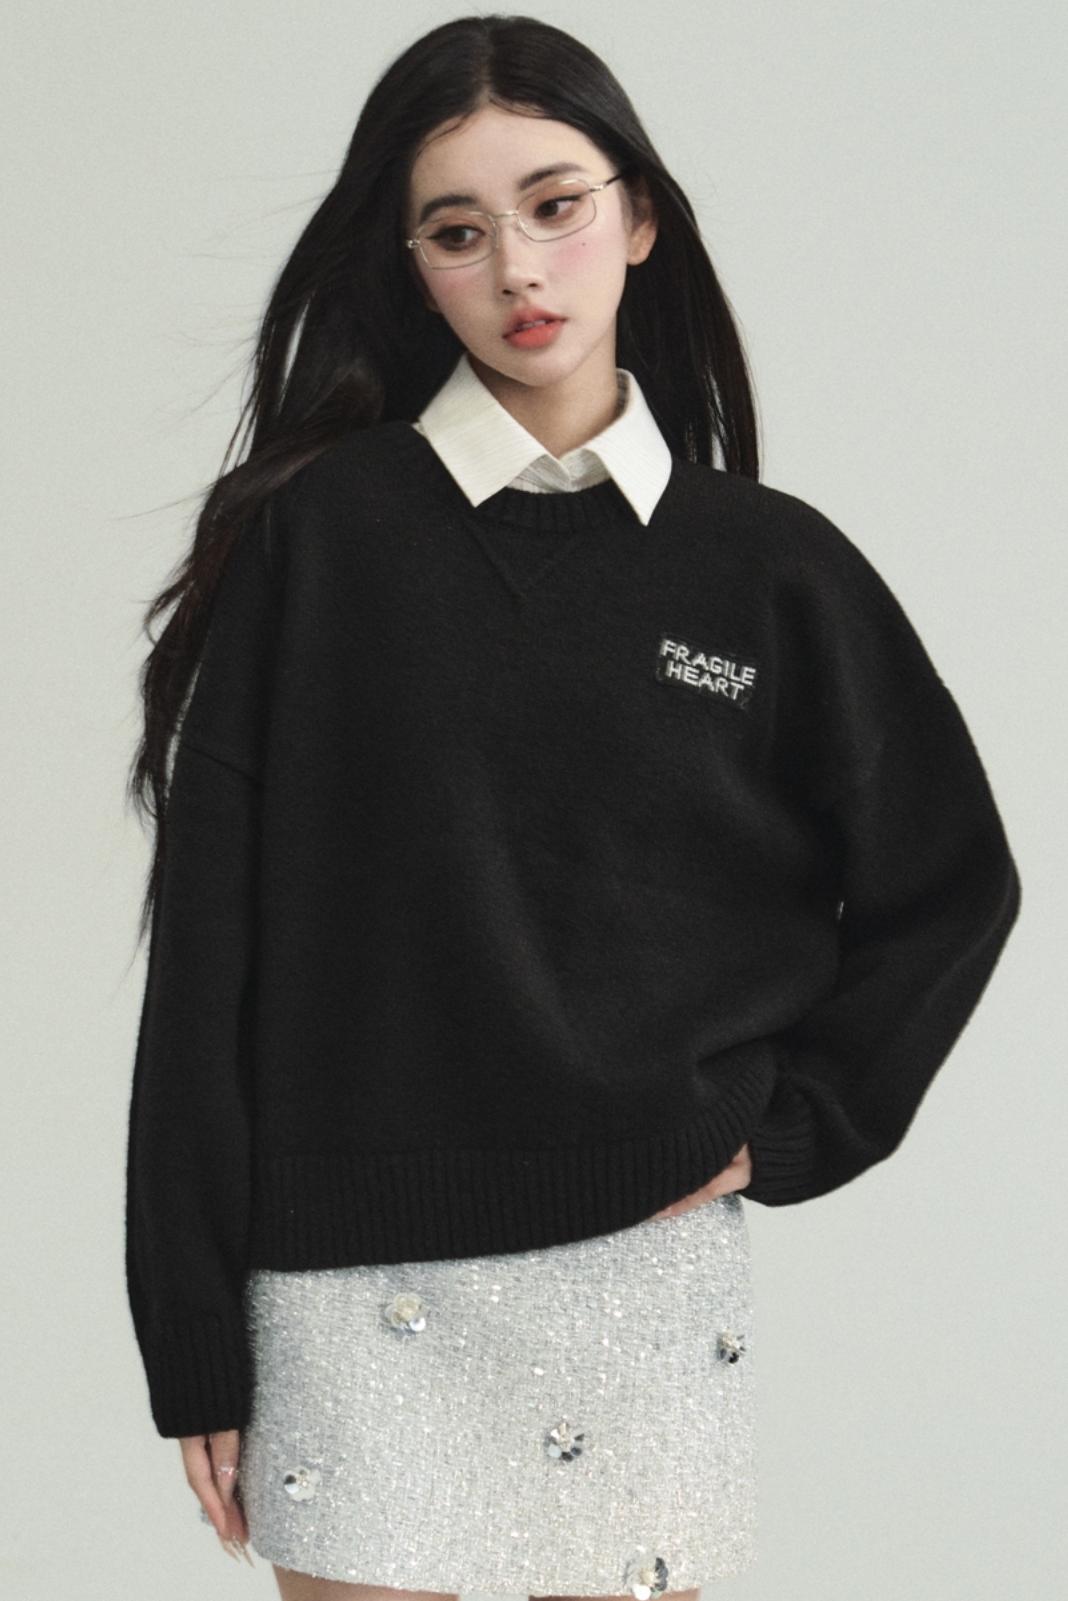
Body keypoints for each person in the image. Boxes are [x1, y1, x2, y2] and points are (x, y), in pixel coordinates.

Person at [123, 14, 1021, 1601]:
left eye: (556, 205)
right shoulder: (323, 539)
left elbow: (949, 882)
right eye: (458, 231)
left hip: (637, 1264)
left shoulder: (768, 568)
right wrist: (190, 1321)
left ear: (640, 217)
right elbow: (210, 946)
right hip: (346, 1273)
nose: (520, 268)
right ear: (412, 266)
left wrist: (791, 1125)